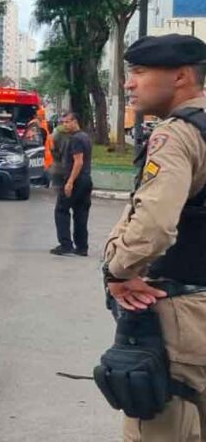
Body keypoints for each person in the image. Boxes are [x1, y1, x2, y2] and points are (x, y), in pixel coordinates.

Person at [102, 33, 206, 440]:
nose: (130, 83)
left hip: (185, 313)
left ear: (180, 77)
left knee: (161, 427)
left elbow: (154, 225)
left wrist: (119, 270)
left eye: (140, 72)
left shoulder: (177, 134)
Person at [50, 111, 94, 256]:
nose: (65, 125)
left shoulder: (75, 139)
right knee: (81, 213)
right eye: (63, 122)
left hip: (76, 180)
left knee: (61, 210)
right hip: (86, 179)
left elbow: (78, 161)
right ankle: (82, 247)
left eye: (67, 122)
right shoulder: (85, 137)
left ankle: (65, 244)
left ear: (75, 121)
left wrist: (69, 182)